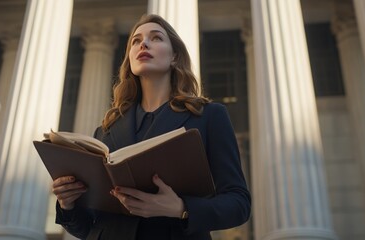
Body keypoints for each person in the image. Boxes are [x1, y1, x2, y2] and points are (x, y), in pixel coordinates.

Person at [52, 14, 251, 240]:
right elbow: (90, 227)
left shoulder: (208, 116)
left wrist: (181, 208)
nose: (143, 44)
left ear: (175, 56)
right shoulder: (105, 131)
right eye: (136, 41)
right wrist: (67, 204)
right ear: (130, 58)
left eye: (155, 38)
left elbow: (238, 203)